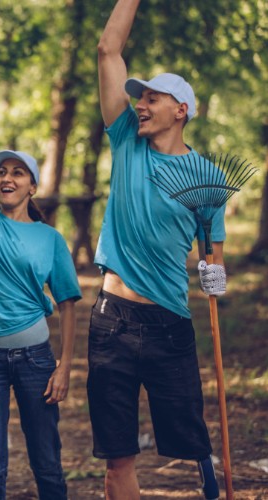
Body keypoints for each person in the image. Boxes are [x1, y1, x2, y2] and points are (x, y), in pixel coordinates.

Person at [90, 1, 226, 498]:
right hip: (112, 322)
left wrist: (216, 275)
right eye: (138, 96)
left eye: (152, 97)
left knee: (192, 445)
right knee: (117, 458)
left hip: (171, 325)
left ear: (181, 110)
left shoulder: (209, 178)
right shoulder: (126, 139)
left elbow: (213, 250)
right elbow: (108, 49)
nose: (140, 104)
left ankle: (211, 480)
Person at [0, 40, 81, 499]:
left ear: (32, 186)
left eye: (17, 173)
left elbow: (67, 304)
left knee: (47, 464)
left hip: (36, 361)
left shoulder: (50, 239)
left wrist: (64, 366)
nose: (6, 178)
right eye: (1, 172)